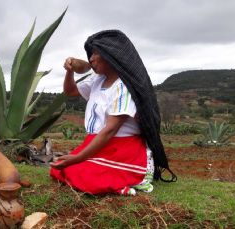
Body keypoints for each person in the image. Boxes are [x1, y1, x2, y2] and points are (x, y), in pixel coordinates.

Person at [50, 30, 176, 196]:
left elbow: (110, 130)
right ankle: (108, 178)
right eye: (90, 54)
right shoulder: (97, 80)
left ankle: (128, 183)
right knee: (58, 170)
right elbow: (70, 91)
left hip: (122, 148)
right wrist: (69, 71)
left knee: (82, 175)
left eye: (95, 53)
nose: (91, 59)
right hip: (97, 144)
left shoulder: (123, 87)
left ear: (111, 55)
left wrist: (78, 157)